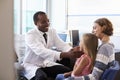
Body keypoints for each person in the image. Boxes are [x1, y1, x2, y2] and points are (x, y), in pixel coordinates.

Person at [22, 11, 82, 80]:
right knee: (41, 77)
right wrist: (67, 54)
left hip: (45, 63)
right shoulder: (30, 35)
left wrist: (73, 51)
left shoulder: (52, 31)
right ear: (36, 23)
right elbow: (41, 51)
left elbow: (61, 44)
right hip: (32, 64)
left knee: (67, 71)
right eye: (43, 22)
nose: (47, 24)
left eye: (48, 21)